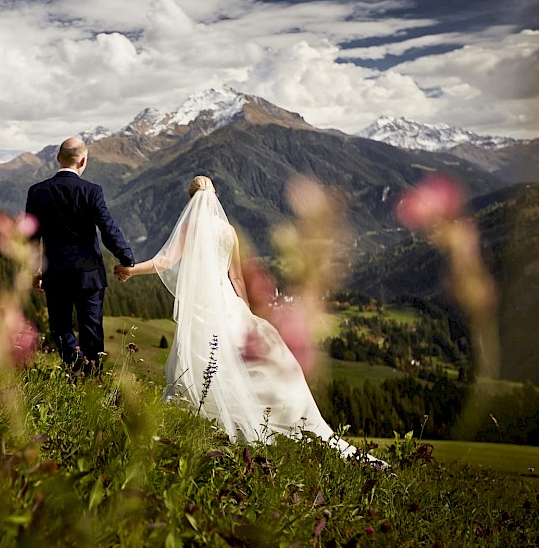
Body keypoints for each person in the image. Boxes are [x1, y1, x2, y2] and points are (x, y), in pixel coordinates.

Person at [115, 175, 373, 460]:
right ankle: (274, 414)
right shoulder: (229, 231)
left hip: (202, 304)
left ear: (191, 200)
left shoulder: (191, 226)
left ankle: (208, 416)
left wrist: (131, 270)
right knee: (240, 358)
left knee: (202, 358)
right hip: (228, 301)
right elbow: (236, 277)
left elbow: (164, 261)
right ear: (215, 198)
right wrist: (247, 313)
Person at [26, 137, 135, 375]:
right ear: (83, 160)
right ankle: (92, 378)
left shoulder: (37, 192)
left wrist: (35, 269)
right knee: (92, 329)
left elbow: (31, 238)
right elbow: (108, 229)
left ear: (58, 158)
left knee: (60, 327)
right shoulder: (92, 191)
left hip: (55, 273)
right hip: (89, 275)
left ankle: (74, 366)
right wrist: (125, 257)